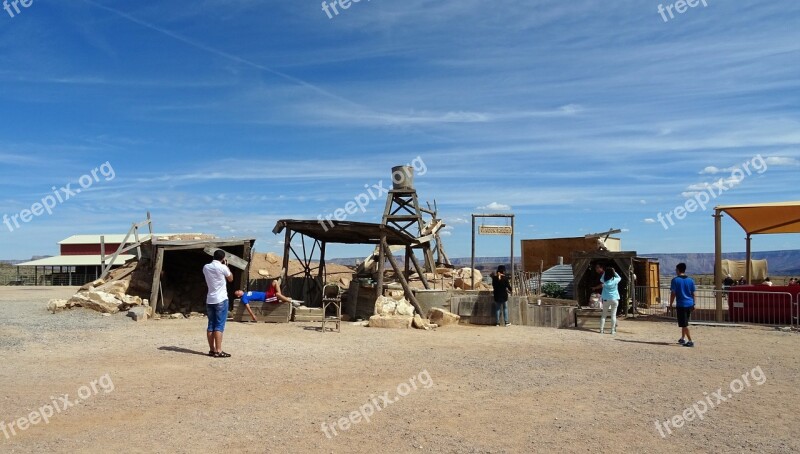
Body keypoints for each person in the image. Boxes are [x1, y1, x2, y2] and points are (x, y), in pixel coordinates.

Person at [203, 250, 233, 358]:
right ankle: (219, 350)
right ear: (223, 258)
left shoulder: (206, 267)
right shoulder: (223, 267)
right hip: (221, 299)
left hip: (210, 299)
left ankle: (212, 349)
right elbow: (230, 278)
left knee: (211, 325)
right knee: (219, 325)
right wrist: (226, 266)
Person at [669, 263, 696, 347]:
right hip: (690, 303)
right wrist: (694, 303)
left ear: (678, 270)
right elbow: (693, 293)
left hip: (681, 304)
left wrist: (670, 304)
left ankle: (690, 340)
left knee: (684, 324)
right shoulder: (691, 280)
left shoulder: (675, 280)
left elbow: (673, 293)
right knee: (685, 321)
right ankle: (682, 338)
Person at [594, 266, 621, 334]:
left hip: (606, 299)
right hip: (615, 299)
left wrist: (605, 272)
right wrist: (614, 272)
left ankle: (601, 330)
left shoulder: (604, 282)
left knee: (604, 315)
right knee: (613, 315)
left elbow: (601, 279)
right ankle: (612, 330)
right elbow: (619, 277)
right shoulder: (615, 280)